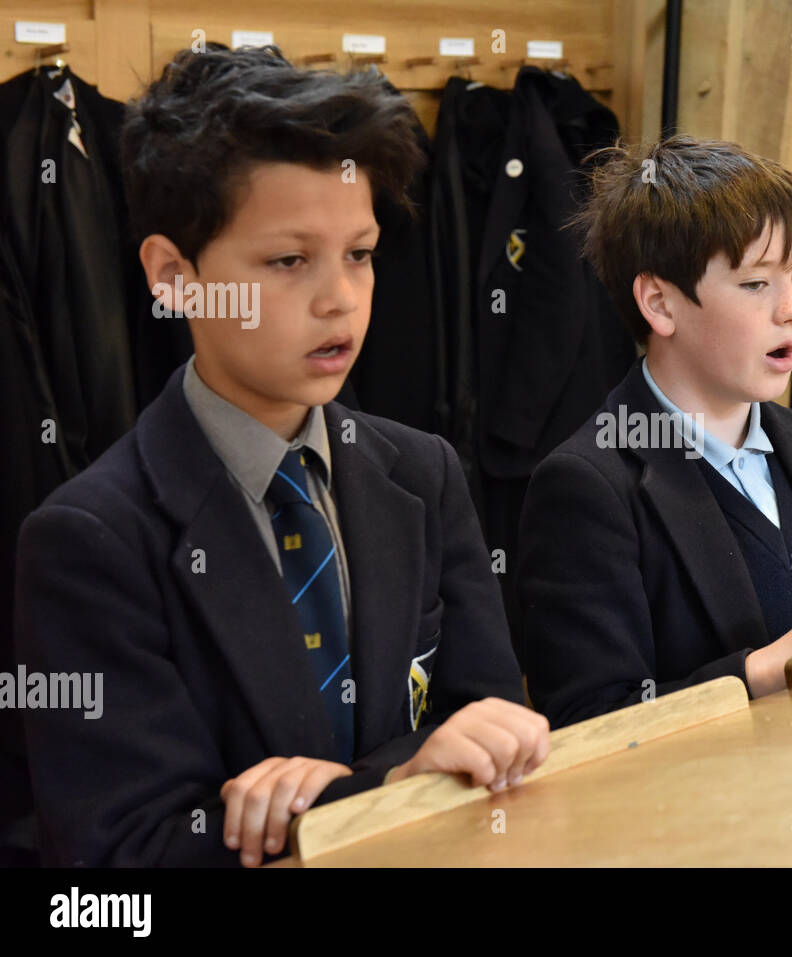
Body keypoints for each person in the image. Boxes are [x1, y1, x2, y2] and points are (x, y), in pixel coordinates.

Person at [13, 46, 548, 867]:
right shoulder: (92, 539)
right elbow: (117, 862)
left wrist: (356, 785)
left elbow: (493, 731)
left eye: (361, 254)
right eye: (289, 261)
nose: (340, 298)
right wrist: (393, 777)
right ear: (174, 276)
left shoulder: (423, 473)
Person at [517, 135, 792, 731]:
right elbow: (590, 723)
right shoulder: (587, 486)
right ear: (660, 303)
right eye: (757, 284)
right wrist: (774, 665)